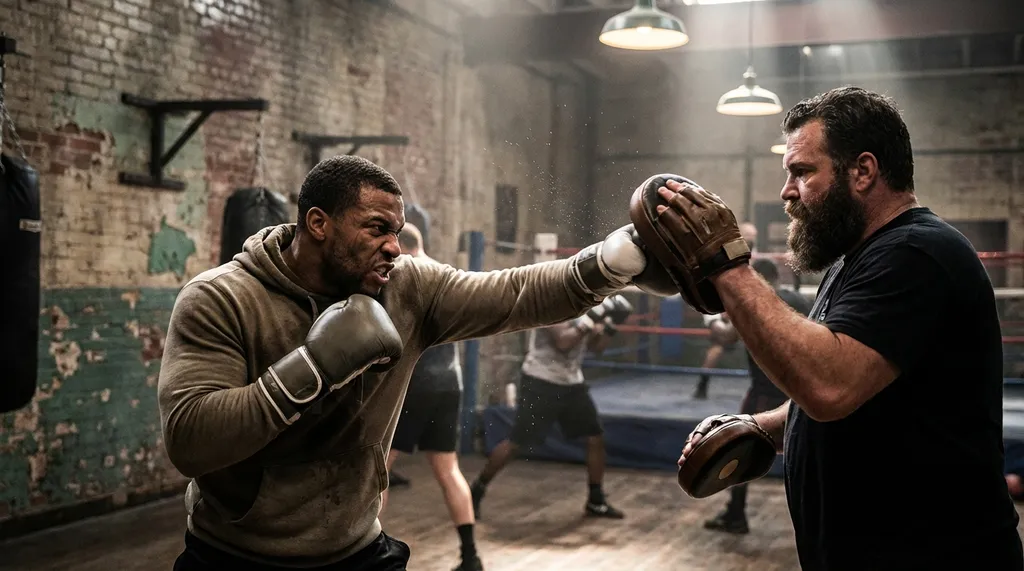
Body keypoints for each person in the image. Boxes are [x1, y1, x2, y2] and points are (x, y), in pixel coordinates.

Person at [157, 154, 666, 571]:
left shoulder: (406, 285)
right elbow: (190, 439)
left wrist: (612, 263)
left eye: (397, 231)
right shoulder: (220, 298)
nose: (392, 247)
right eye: (376, 228)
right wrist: (313, 365)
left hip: (358, 550)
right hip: (236, 557)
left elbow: (512, 292)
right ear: (318, 224)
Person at [669, 87, 1023, 569]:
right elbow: (863, 381)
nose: (786, 191)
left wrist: (725, 265)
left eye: (802, 171)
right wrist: (764, 425)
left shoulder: (916, 254)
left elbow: (829, 385)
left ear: (863, 171)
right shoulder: (858, 260)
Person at [469, 295, 633, 520]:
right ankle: (476, 490)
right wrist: (592, 318)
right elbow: (563, 342)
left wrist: (611, 325)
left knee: (595, 437)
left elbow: (597, 348)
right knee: (517, 443)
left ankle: (596, 500)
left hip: (571, 382)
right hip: (541, 381)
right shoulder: (550, 303)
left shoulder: (589, 305)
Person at [380, 223, 482, 571]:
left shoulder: (405, 276)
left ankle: (361, 553)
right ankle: (471, 556)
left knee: (378, 470)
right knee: (449, 470)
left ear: (401, 246)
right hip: (449, 385)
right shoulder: (445, 275)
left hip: (416, 385)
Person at [701, 258, 810, 535]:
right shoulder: (801, 299)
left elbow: (727, 338)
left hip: (767, 392)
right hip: (805, 390)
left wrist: (711, 318)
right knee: (809, 450)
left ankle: (736, 514)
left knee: (739, 447)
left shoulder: (757, 303)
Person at [692, 222, 757, 400]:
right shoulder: (722, 251)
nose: (751, 239)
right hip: (716, 306)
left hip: (739, 305)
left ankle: (762, 384)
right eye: (748, 235)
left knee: (758, 342)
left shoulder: (752, 257)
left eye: (753, 236)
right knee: (719, 345)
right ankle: (702, 384)